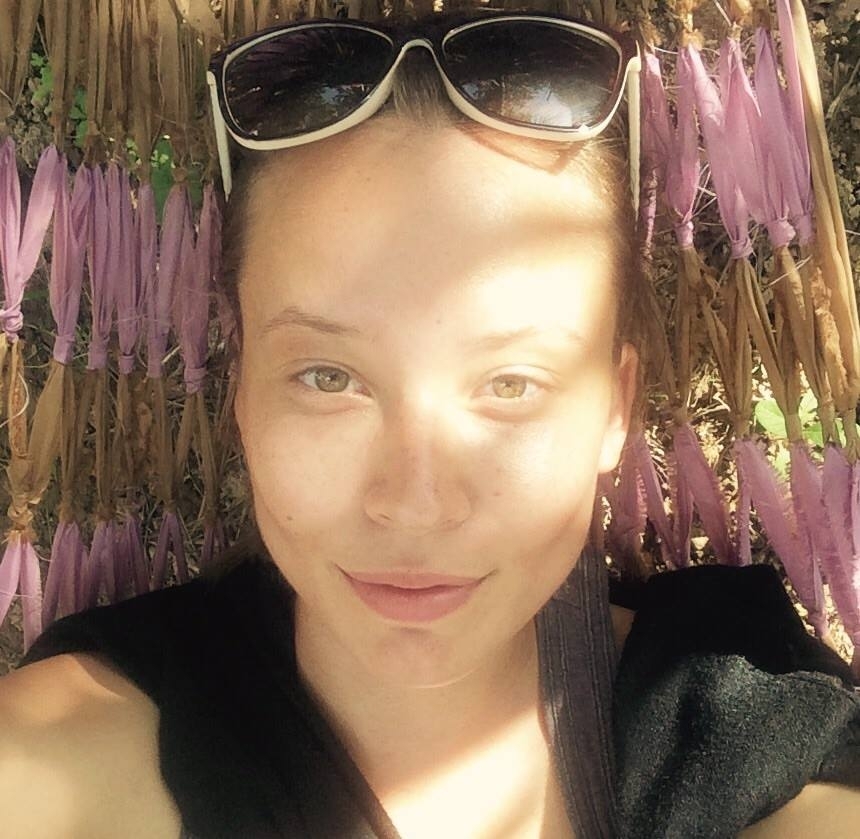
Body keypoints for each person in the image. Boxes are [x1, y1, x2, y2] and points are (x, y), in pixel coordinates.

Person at [0, 9, 858, 839]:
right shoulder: (89, 747)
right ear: (242, 395)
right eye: (328, 377)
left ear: (614, 407)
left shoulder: (736, 714)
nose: (414, 504)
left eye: (512, 383)